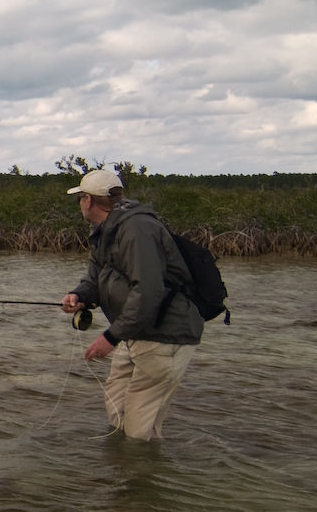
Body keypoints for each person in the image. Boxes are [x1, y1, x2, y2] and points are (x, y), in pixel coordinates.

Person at [60, 169, 203, 441]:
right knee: (118, 410)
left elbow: (148, 291)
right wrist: (79, 296)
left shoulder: (137, 229)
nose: (80, 203)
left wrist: (110, 337)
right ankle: (126, 475)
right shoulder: (104, 231)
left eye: (80, 198)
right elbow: (96, 275)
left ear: (88, 200)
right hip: (136, 332)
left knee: (138, 432)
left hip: (164, 334)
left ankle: (145, 472)